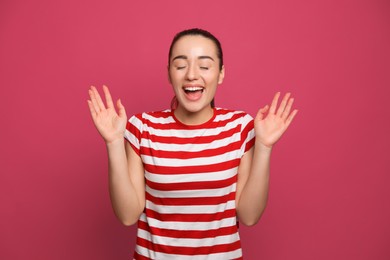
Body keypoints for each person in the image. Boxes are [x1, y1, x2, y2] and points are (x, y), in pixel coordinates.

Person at [87, 28, 298, 260]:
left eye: (204, 66)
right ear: (169, 74)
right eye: (180, 66)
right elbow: (127, 215)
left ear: (220, 74)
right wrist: (114, 142)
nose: (191, 75)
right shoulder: (143, 127)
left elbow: (249, 216)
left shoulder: (240, 127)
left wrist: (265, 148)